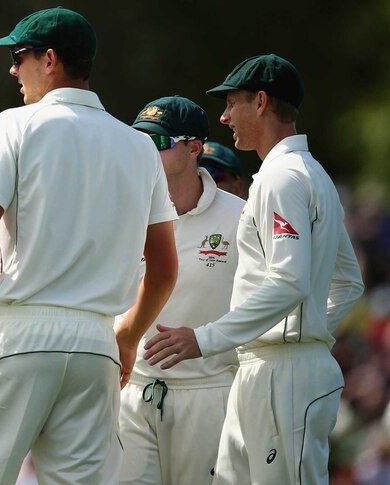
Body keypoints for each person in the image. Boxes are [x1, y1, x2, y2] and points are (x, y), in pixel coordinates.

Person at [0, 7, 179, 484]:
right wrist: (128, 335)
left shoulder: (15, 124)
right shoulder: (138, 146)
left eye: (20, 56)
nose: (13, 69)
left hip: (19, 332)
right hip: (97, 344)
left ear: (49, 59)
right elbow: (163, 268)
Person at [144, 53, 365, 484]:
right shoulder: (307, 174)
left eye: (232, 103)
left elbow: (290, 280)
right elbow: (348, 283)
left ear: (261, 101)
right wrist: (309, 332)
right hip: (267, 368)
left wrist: (207, 338)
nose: (224, 117)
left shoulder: (283, 178)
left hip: (283, 376)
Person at [117, 96, 244, 485]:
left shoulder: (241, 217)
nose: (144, 152)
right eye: (136, 141)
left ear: (194, 148)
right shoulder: (120, 212)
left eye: (157, 142)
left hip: (208, 391)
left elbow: (270, 303)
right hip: (131, 389)